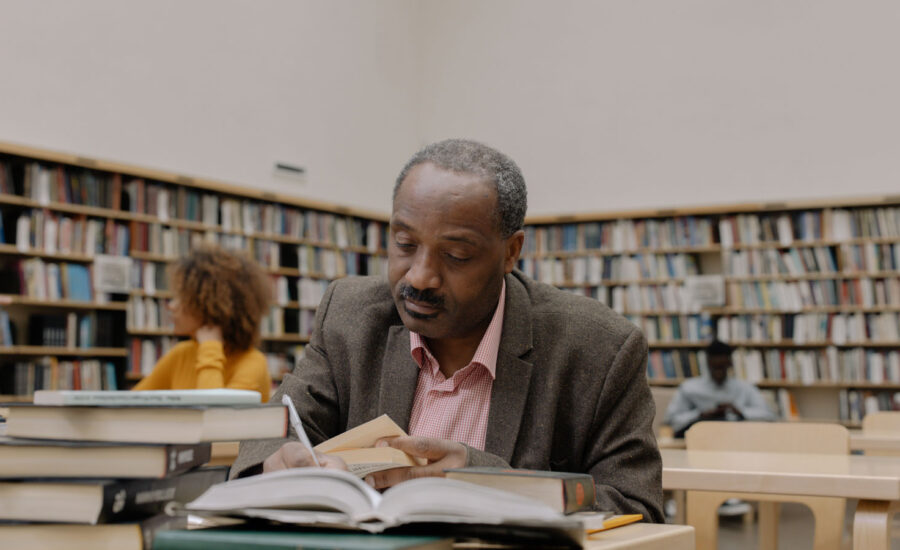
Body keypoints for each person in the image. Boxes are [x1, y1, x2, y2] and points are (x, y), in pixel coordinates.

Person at [231, 139, 663, 521]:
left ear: (511, 252)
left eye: (455, 255)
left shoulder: (598, 348)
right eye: (404, 244)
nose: (419, 277)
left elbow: (635, 506)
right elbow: (274, 428)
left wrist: (488, 481)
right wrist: (276, 463)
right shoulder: (350, 314)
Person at [133, 243, 272, 402]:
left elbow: (215, 417)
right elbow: (131, 404)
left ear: (210, 305)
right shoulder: (180, 354)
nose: (171, 306)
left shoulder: (252, 363)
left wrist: (210, 348)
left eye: (182, 298)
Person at [664, 339, 776, 439]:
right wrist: (700, 415)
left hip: (738, 440)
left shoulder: (745, 388)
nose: (718, 372)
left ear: (729, 363)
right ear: (707, 363)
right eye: (715, 367)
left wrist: (740, 411)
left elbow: (769, 416)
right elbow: (671, 420)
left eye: (722, 367)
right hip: (700, 440)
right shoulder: (689, 388)